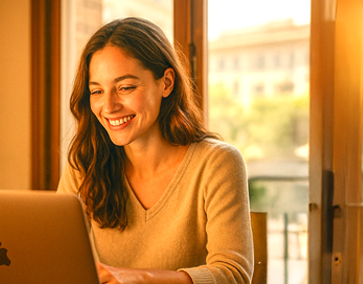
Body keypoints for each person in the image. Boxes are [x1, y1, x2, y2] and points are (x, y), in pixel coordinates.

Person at [57, 17, 253, 284]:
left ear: (166, 83)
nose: (109, 106)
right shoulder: (86, 163)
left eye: (125, 87)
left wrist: (139, 278)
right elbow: (55, 255)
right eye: (97, 91)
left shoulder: (217, 163)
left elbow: (233, 273)